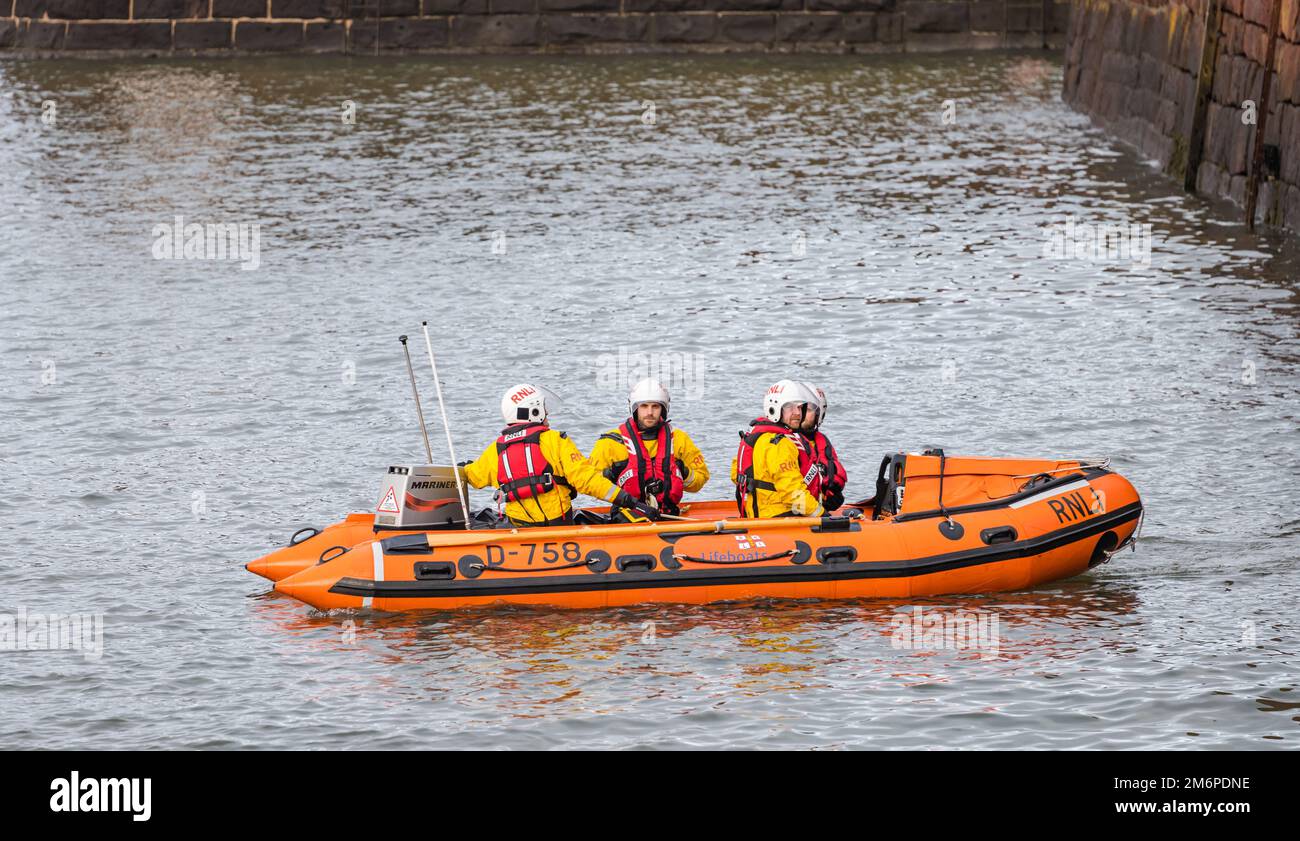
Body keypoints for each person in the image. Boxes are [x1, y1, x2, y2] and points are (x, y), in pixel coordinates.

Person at [462, 383, 659, 527]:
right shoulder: (556, 441)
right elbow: (587, 481)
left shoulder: (496, 450)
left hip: (520, 529)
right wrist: (631, 502)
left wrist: (462, 468)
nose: (547, 413)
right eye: (543, 408)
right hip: (559, 526)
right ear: (534, 410)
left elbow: (474, 476)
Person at [588, 378, 710, 521]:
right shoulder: (610, 443)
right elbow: (589, 482)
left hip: (668, 515)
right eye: (644, 406)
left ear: (664, 409)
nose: (650, 412)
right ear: (635, 408)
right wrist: (609, 475)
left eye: (655, 407)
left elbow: (701, 479)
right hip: (626, 517)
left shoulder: (679, 439)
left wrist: (683, 471)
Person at [730, 380, 825, 518]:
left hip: (756, 516)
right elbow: (792, 492)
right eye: (790, 408)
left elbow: (736, 475)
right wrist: (821, 514)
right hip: (781, 518)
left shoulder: (755, 437)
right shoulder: (781, 444)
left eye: (799, 408)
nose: (797, 413)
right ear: (774, 408)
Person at [798, 381, 848, 512]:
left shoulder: (822, 442)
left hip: (814, 506)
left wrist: (832, 494)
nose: (800, 414)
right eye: (798, 409)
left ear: (819, 414)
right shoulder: (784, 440)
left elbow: (832, 471)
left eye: (808, 410)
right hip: (795, 507)